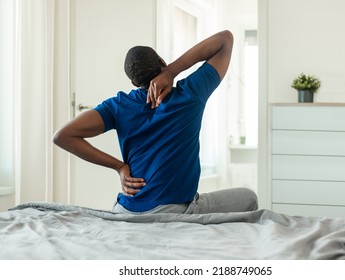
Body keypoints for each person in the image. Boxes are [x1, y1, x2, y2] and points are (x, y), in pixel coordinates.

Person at [53, 30, 258, 214]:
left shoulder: (117, 106)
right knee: (249, 197)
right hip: (172, 209)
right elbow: (225, 39)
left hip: (125, 210)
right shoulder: (191, 94)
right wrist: (172, 71)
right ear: (162, 61)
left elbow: (62, 136)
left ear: (133, 82)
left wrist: (119, 167)